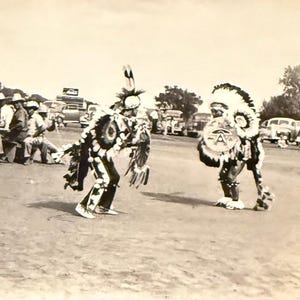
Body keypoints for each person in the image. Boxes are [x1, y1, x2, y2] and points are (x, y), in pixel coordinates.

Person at [52, 66, 151, 219]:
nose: (136, 112)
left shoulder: (123, 121)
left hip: (104, 154)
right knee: (104, 179)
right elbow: (101, 140)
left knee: (114, 177)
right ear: (130, 109)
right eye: (135, 110)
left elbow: (119, 142)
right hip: (96, 154)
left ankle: (103, 206)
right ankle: (84, 206)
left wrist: (136, 144)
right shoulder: (111, 119)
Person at [197, 83, 274, 211]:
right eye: (213, 111)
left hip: (241, 154)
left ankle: (236, 200)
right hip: (229, 154)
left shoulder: (235, 122)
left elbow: (247, 136)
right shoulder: (218, 124)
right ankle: (227, 197)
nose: (215, 113)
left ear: (223, 111)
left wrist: (237, 132)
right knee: (222, 175)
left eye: (217, 111)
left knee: (231, 177)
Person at [1, 93, 28, 163]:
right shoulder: (19, 111)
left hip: (20, 133)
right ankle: (6, 155)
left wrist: (11, 129)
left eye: (17, 102)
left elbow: (21, 124)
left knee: (3, 138)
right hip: (19, 132)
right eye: (14, 103)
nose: (15, 104)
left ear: (21, 103)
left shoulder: (21, 111)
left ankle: (5, 156)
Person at [23, 100, 47, 165]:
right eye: (27, 109)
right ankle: (30, 157)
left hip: (37, 137)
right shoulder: (28, 117)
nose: (28, 110)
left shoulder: (37, 117)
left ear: (33, 109)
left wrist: (35, 134)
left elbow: (43, 127)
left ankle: (27, 158)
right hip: (30, 136)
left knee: (27, 141)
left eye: (30, 109)